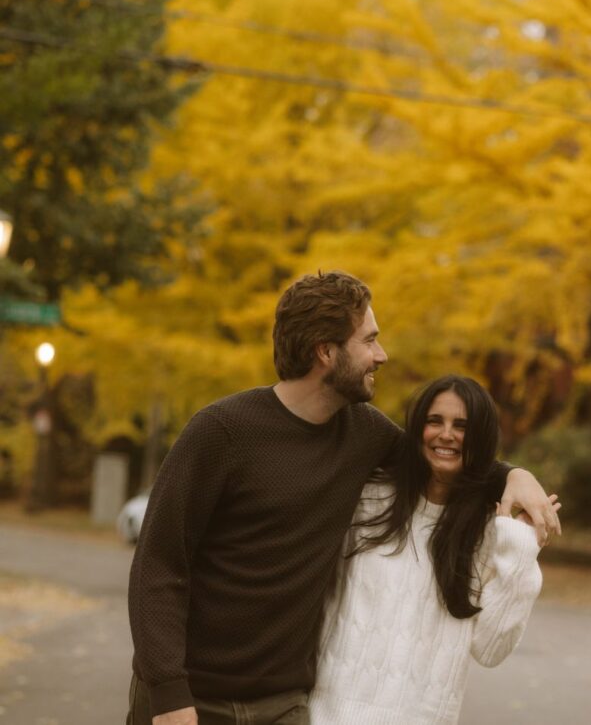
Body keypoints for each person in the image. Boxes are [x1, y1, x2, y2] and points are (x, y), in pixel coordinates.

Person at [127, 271, 559, 725]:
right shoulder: (222, 431)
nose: (381, 355)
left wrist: (515, 475)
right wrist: (169, 693)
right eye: (369, 341)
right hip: (192, 697)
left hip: (283, 704)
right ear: (326, 352)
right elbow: (158, 564)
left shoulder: (365, 433)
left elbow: (437, 458)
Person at [310, 375, 551, 724]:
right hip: (328, 715)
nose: (446, 434)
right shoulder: (368, 499)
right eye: (434, 421)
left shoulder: (490, 532)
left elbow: (491, 649)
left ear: (480, 438)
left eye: (461, 426)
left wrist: (522, 547)